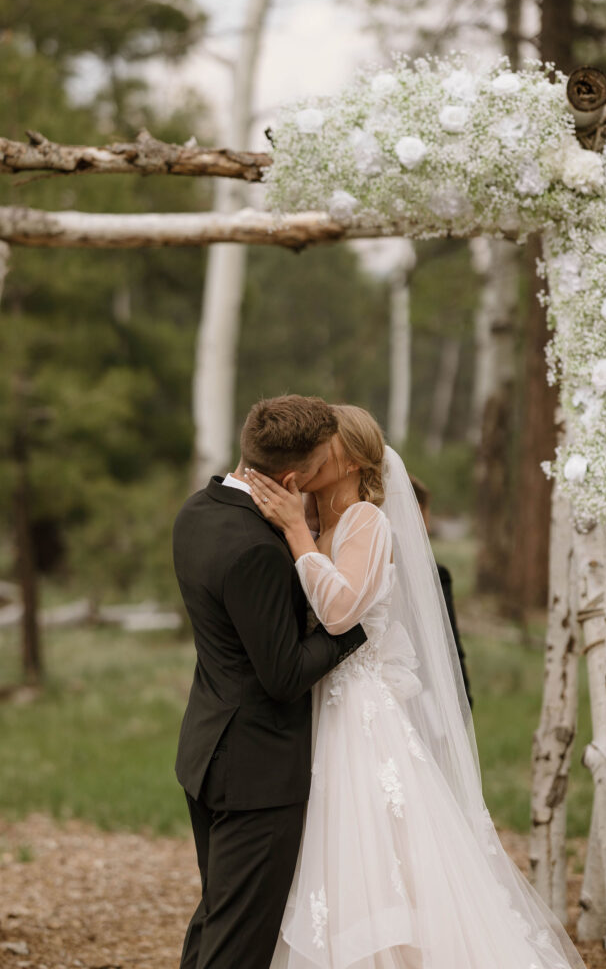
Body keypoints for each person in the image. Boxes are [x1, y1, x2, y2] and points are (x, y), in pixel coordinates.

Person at [246, 405, 586, 969]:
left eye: (324, 447)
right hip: (315, 703)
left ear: (350, 458)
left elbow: (337, 612)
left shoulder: (364, 522)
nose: (310, 458)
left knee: (376, 848)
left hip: (359, 712)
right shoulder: (315, 514)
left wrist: (294, 533)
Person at [173, 395, 367, 969]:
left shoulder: (197, 511)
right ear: (289, 478)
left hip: (209, 749)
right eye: (320, 463)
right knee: (237, 947)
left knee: (216, 922)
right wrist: (354, 629)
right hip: (256, 773)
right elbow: (283, 675)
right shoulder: (256, 548)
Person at [409, 471, 473, 708]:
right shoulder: (433, 574)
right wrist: (464, 701)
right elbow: (451, 648)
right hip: (426, 703)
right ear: (415, 510)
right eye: (427, 512)